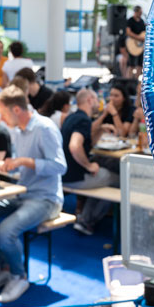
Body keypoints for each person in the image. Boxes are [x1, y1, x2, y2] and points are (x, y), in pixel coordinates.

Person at [0, 85, 67, 303]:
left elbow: (59, 166)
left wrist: (24, 161)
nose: (0, 118)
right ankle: (6, 265)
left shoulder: (44, 128)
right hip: (22, 194)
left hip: (46, 198)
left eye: (2, 113)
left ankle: (19, 276)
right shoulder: (18, 131)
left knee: (6, 230)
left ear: (16, 110)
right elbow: (17, 167)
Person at [62, 89, 119, 236]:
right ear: (89, 100)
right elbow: (75, 146)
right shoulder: (83, 120)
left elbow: (88, 144)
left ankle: (85, 217)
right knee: (120, 179)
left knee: (104, 173)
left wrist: (100, 130)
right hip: (77, 178)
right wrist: (88, 165)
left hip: (65, 175)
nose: (98, 103)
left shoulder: (71, 117)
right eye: (96, 100)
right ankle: (87, 221)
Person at [125, 6, 145, 78]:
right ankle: (128, 80)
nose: (141, 14)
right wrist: (138, 38)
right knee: (131, 65)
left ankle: (136, 81)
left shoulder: (142, 21)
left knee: (140, 65)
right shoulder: (130, 21)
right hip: (132, 45)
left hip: (140, 46)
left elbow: (143, 32)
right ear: (136, 12)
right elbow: (128, 32)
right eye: (140, 12)